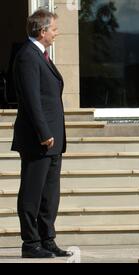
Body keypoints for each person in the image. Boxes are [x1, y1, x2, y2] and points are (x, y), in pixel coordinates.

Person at [12, 9, 72, 258]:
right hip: (39, 139)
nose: (56, 33)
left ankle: (48, 239)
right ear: (42, 31)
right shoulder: (27, 56)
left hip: (54, 140)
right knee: (32, 193)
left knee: (50, 194)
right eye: (54, 29)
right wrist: (44, 133)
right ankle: (31, 243)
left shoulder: (42, 56)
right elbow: (31, 101)